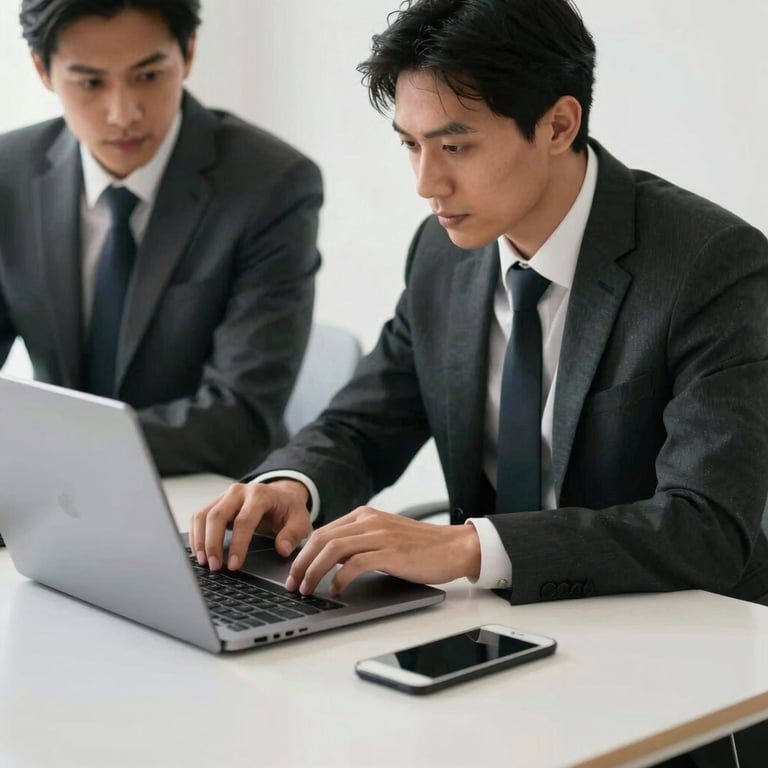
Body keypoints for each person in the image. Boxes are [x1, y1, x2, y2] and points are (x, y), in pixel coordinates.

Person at [191, 1, 768, 764]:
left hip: (666, 668)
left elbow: (708, 528)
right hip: (489, 652)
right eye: (410, 145)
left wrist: (468, 548)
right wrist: (292, 483)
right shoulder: (444, 255)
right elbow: (366, 422)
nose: (427, 183)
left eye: (455, 145)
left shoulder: (711, 267)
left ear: (560, 125)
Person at [0, 0, 322, 478]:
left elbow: (240, 415)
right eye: (90, 82)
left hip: (210, 497)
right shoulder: (9, 174)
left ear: (188, 52)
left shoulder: (271, 185)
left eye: (148, 76)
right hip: (56, 495)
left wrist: (57, 454)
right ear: (42, 71)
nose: (122, 113)